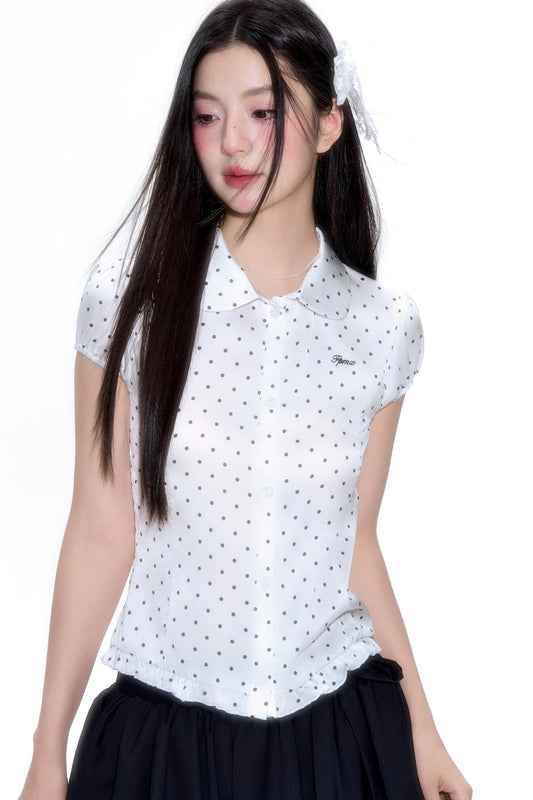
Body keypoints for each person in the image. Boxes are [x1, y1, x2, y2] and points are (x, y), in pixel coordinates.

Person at [18, 1, 472, 798]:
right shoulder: (126, 305)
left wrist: (423, 732)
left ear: (329, 124)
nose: (232, 142)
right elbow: (99, 529)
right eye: (207, 116)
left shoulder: (381, 326)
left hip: (338, 737)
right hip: (166, 740)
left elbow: (355, 542)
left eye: (262, 112)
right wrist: (46, 751)